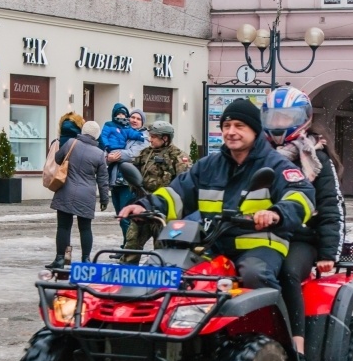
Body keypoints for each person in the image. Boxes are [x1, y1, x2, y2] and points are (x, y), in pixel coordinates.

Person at [119, 98, 316, 293]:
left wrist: (276, 213)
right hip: (213, 245)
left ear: (255, 130)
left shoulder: (276, 164)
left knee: (255, 275)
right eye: (226, 125)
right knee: (174, 272)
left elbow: (301, 195)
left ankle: (269, 324)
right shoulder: (208, 165)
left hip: (259, 246)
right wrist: (146, 206)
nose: (231, 132)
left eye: (239, 126)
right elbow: (176, 193)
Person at [263, 87, 346, 361]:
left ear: (304, 119)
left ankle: (298, 351)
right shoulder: (256, 154)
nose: (279, 122)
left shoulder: (315, 158)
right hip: (261, 233)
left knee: (286, 273)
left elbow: (330, 207)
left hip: (301, 238)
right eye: (274, 116)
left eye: (286, 116)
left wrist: (327, 254)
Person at [121, 120, 191, 265]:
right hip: (144, 207)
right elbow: (133, 173)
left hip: (163, 212)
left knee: (162, 250)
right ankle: (124, 277)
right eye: (150, 136)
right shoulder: (145, 153)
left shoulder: (178, 156)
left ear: (165, 138)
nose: (150, 139)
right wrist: (135, 188)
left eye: (153, 136)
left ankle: (160, 280)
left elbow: (184, 185)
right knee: (131, 244)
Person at [46, 120, 109, 268]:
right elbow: (103, 180)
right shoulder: (100, 154)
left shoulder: (70, 143)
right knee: (85, 228)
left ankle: (60, 259)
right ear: (97, 135)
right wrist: (104, 199)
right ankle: (86, 260)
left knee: (63, 227)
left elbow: (57, 158)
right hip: (86, 195)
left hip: (66, 190)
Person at [100, 103, 147, 249]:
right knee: (121, 216)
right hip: (116, 181)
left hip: (130, 183)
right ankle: (126, 244)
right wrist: (108, 157)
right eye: (132, 117)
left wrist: (115, 155)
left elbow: (134, 154)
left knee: (127, 217)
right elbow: (105, 151)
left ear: (142, 122)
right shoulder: (121, 131)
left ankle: (130, 247)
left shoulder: (143, 137)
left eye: (138, 118)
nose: (134, 120)